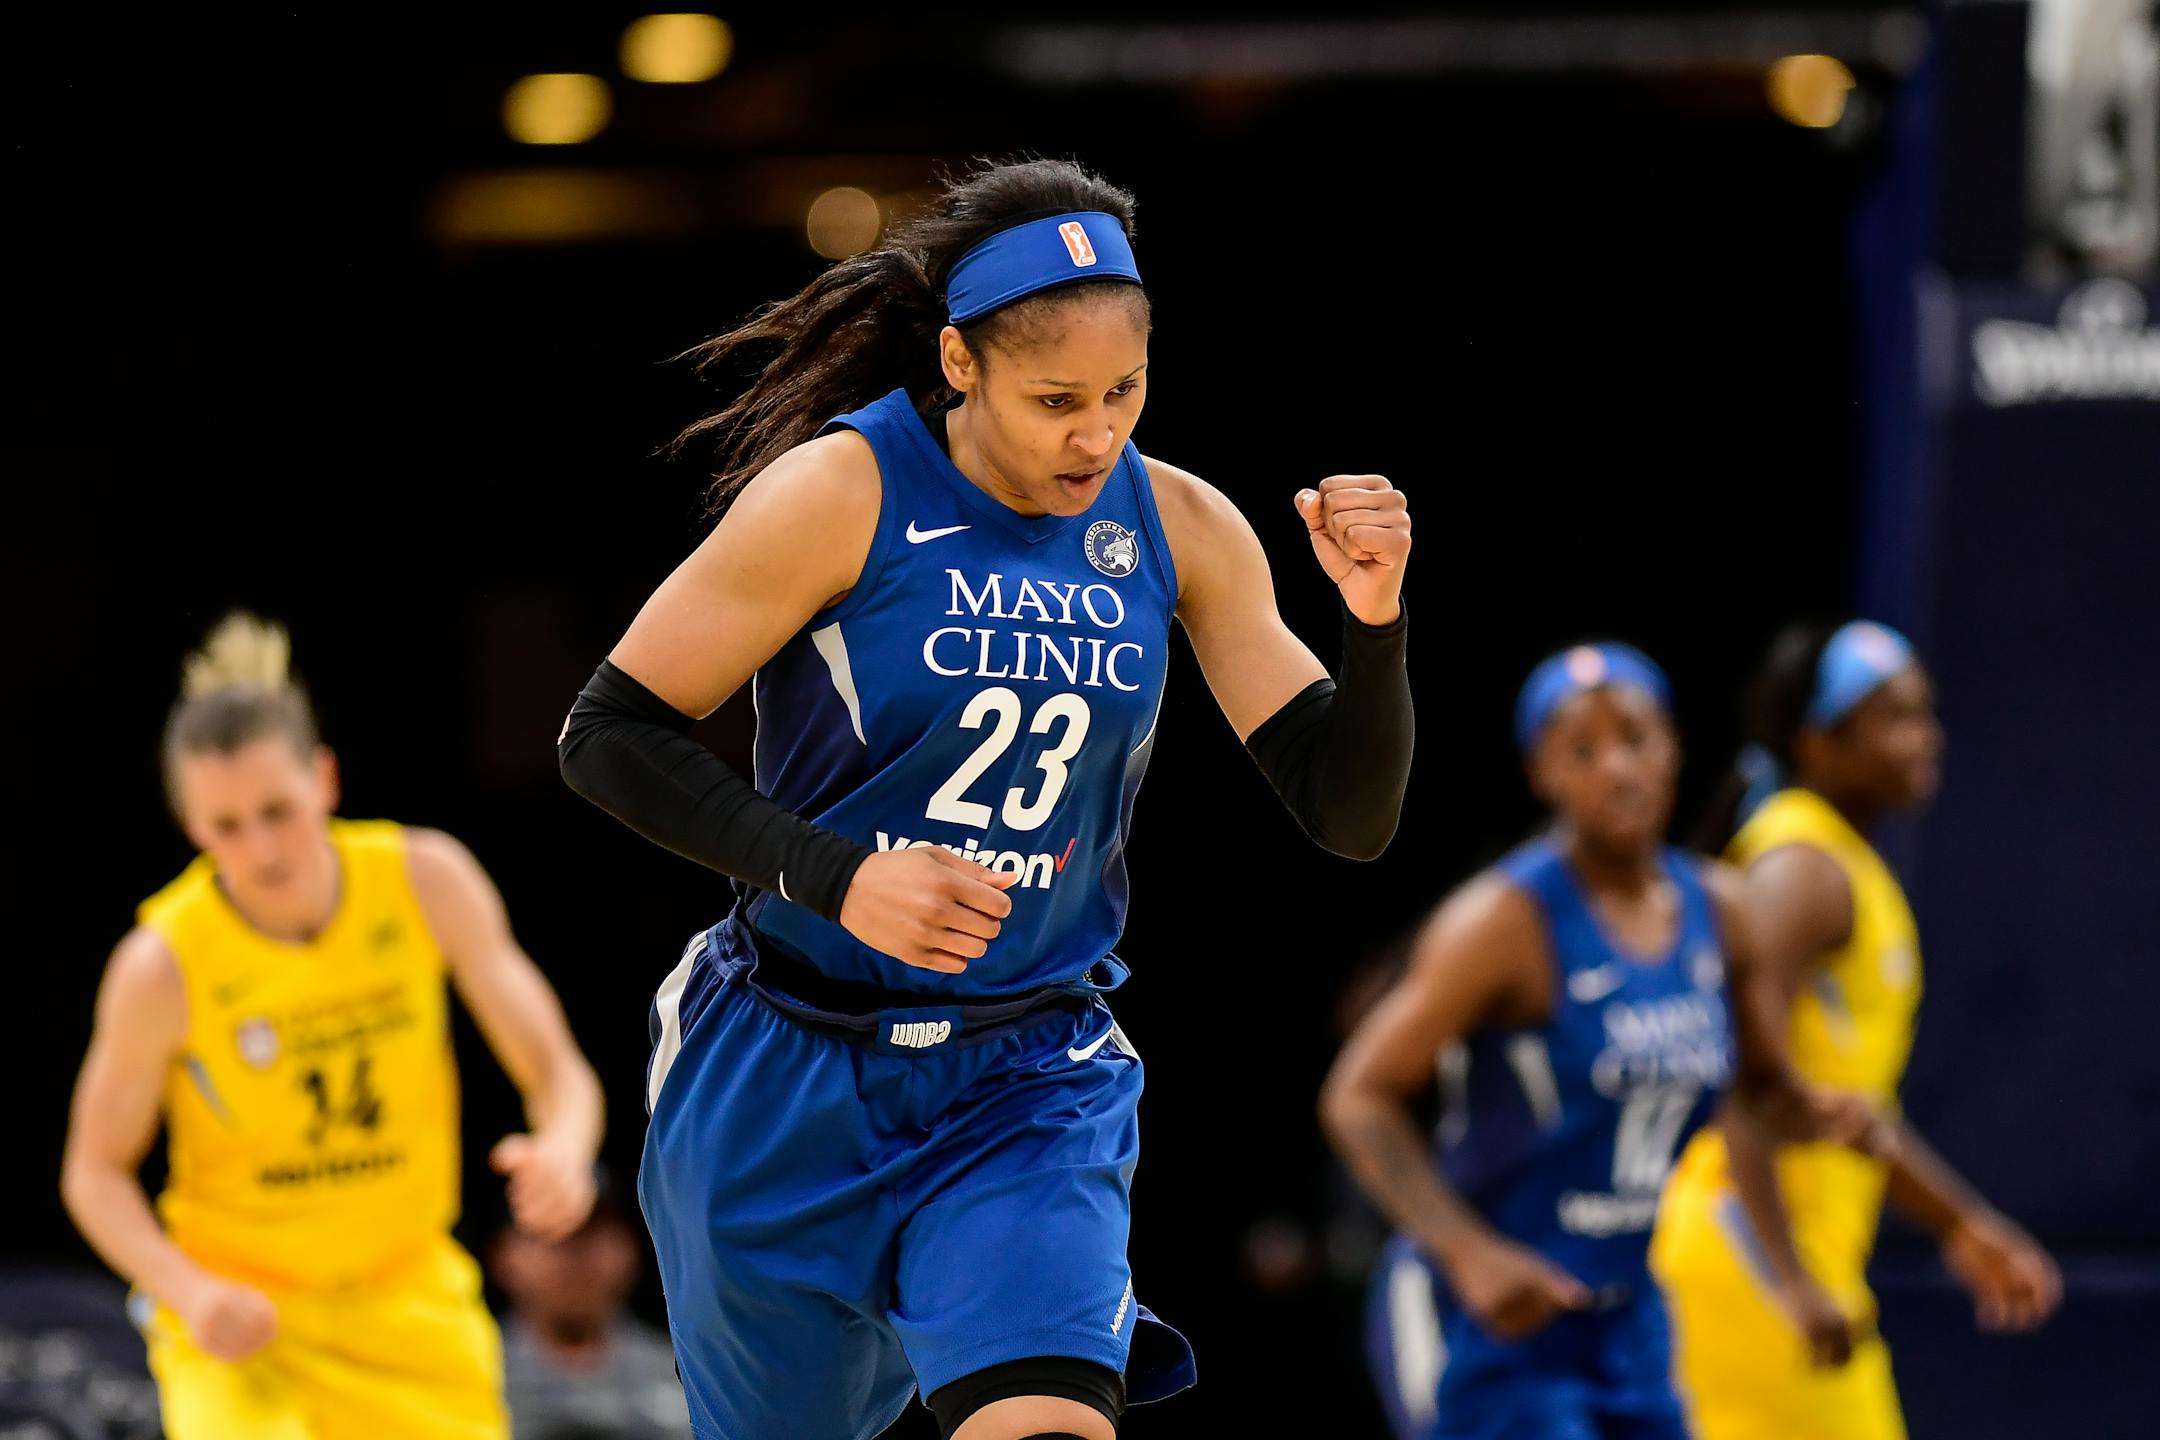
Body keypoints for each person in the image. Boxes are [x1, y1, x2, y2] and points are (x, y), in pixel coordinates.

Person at [558, 156, 1416, 1440]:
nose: (1097, 433)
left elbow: (1347, 814)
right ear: (960, 365)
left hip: (1025, 1073)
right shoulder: (842, 492)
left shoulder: (1176, 522)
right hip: (788, 1063)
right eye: (1056, 398)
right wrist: (838, 876)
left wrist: (1377, 625)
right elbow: (606, 736)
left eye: (1124, 390)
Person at [61, 614, 606, 1440]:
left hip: (409, 1302)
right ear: (189, 826)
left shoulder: (427, 880)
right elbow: (94, 1173)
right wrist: (187, 1290)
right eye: (226, 826)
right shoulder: (159, 964)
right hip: (244, 1321)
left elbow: (558, 1075)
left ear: (325, 778)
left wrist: (565, 1152)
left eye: (278, 809)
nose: (262, 847)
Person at [1321, 643, 1871, 1440]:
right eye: (1582, 749)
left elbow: (1762, 1092)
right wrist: (1469, 1253)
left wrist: (1825, 1117)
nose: (1616, 767)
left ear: (1674, 747)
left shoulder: (1723, 910)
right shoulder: (1503, 922)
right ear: (1542, 773)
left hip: (1628, 1313)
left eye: (1637, 738)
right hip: (1489, 1313)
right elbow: (1355, 1095)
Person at [1650, 620, 2062, 1440]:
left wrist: (1958, 1223)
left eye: (1925, 712)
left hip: (1788, 1256)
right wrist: (1786, 1277)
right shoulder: (1800, 869)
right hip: (1751, 1253)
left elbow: (1848, 1105)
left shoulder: (1839, 864)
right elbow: (1741, 1071)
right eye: (1895, 718)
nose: (1925, 737)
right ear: (1818, 743)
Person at [490, 1174, 692, 1440]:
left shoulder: (685, 1378)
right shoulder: (468, 1377)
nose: (573, 1257)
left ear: (630, 1250)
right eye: (548, 1233)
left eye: (592, 1233)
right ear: (504, 1255)